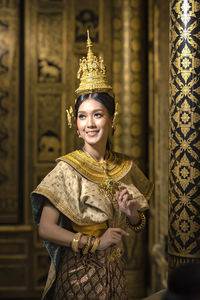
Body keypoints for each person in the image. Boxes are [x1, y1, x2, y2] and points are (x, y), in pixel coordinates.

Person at [31, 30, 153, 300]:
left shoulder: (126, 167)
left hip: (116, 274)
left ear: (112, 118)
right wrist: (95, 242)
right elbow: (46, 228)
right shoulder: (66, 169)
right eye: (83, 116)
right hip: (79, 277)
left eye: (98, 114)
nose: (90, 124)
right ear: (74, 122)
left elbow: (138, 224)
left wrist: (131, 212)